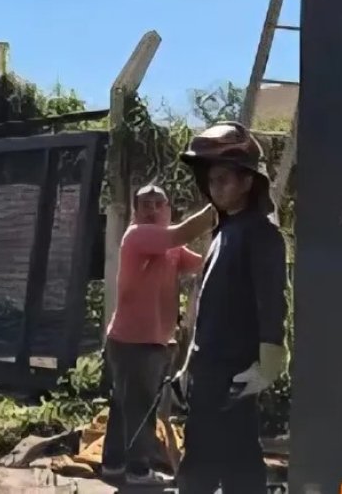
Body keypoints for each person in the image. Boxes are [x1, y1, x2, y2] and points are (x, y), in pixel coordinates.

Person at [176, 121, 288, 494]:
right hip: (209, 371)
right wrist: (188, 366)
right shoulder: (223, 232)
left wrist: (271, 356)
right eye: (212, 179)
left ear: (247, 182)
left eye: (225, 179)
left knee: (234, 465)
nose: (216, 186)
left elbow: (272, 297)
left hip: (235, 373)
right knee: (205, 462)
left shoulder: (260, 234)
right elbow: (210, 308)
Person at [101, 184, 215, 487]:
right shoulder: (139, 235)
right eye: (145, 205)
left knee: (125, 406)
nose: (151, 210)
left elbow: (200, 264)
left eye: (157, 204)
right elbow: (180, 234)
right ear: (136, 211)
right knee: (140, 407)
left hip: (148, 340)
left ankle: (113, 465)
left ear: (168, 208)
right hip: (135, 341)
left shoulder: (169, 246)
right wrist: (218, 206)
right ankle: (139, 471)